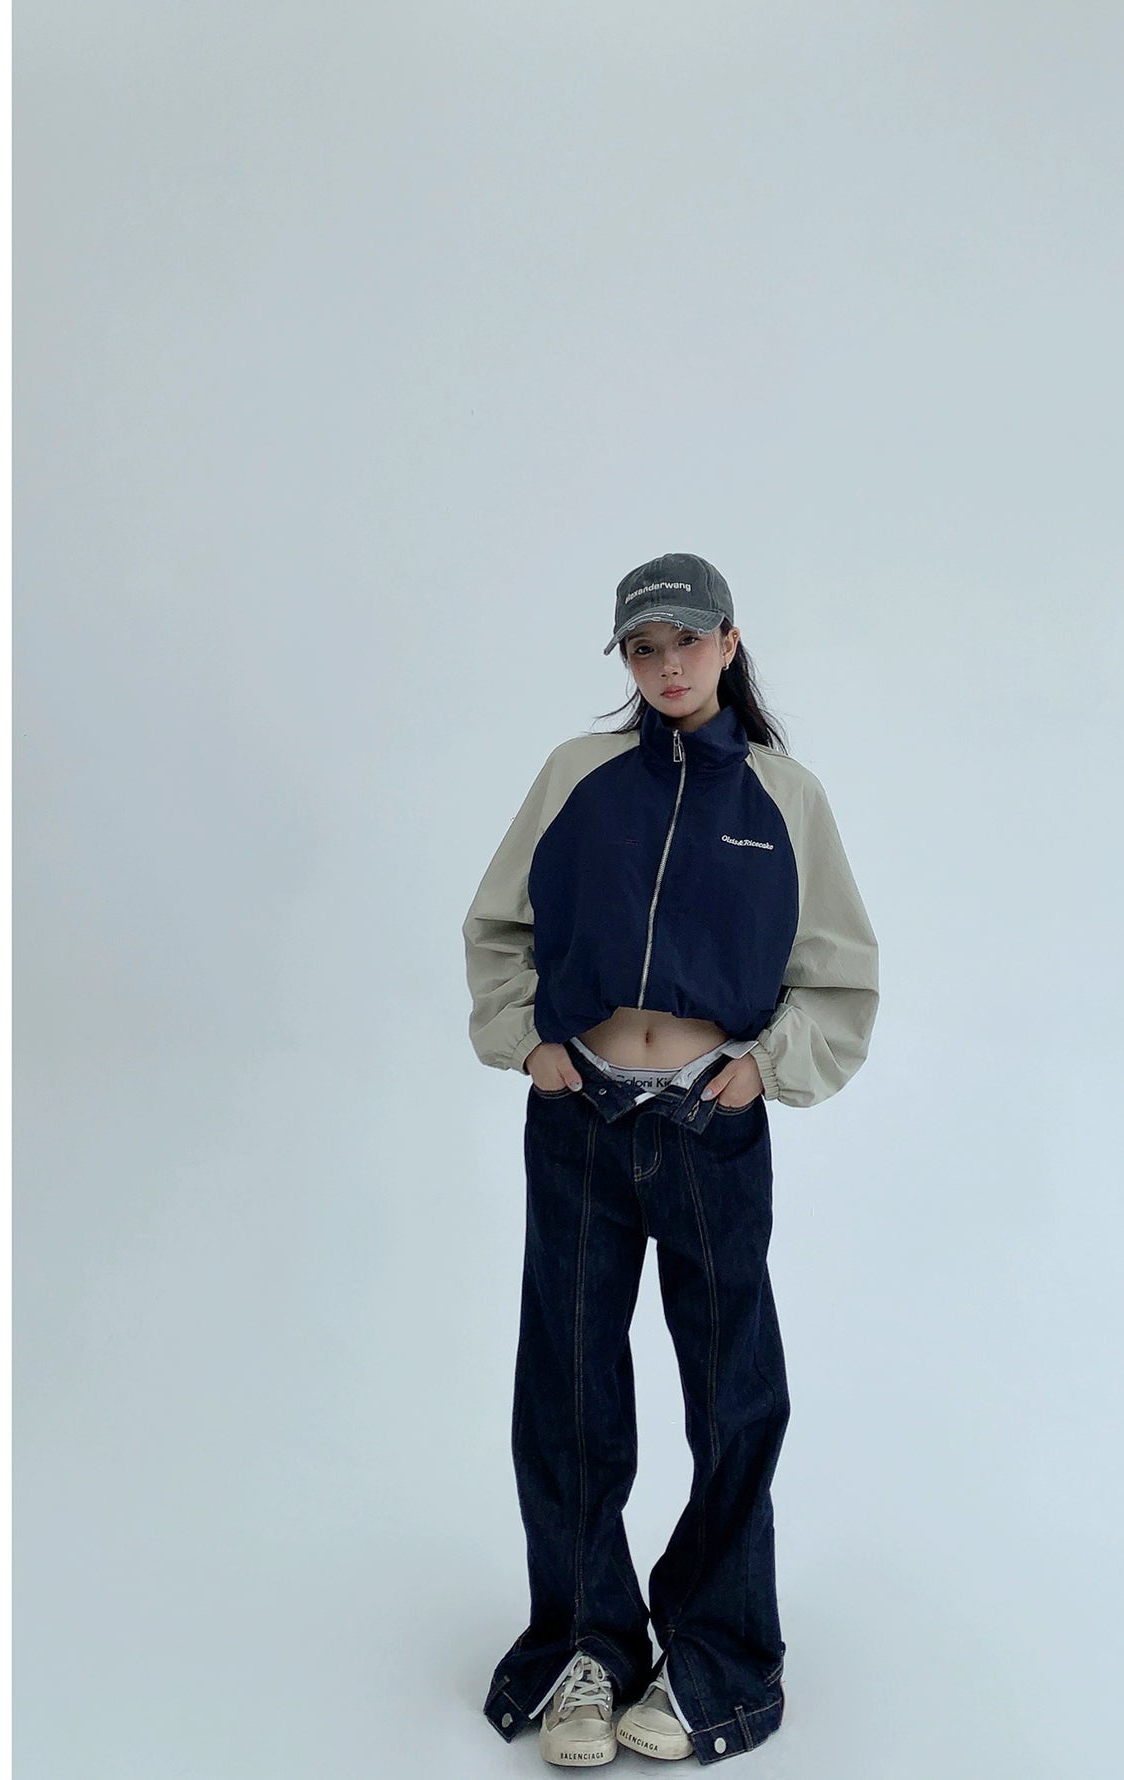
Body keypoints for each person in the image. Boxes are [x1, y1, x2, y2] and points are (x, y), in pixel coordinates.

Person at [462, 552, 880, 1767]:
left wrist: (765, 1066)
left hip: (709, 1125)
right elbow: (499, 926)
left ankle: (714, 1652)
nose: (666, 666)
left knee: (732, 1392)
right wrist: (530, 1041)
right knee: (567, 1389)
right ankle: (586, 1644)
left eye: (686, 642)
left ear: (729, 643)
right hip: (579, 1117)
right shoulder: (575, 775)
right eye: (643, 649)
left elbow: (838, 967)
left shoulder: (784, 797)